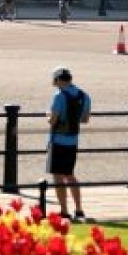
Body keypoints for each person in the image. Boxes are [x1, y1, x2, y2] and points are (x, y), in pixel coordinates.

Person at [46, 67, 91, 222]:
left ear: (58, 80)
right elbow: (85, 120)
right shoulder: (84, 96)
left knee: (58, 176)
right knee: (70, 175)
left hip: (57, 140)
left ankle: (64, 210)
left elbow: (53, 120)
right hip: (73, 140)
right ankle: (79, 209)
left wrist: (48, 117)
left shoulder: (59, 96)